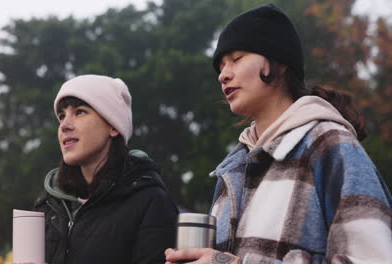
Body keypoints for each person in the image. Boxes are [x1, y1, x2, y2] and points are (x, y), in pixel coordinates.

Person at [165, 3, 391, 264]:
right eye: (221, 66)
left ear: (280, 63)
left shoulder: (328, 144)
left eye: (236, 59)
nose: (223, 75)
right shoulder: (230, 170)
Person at [33, 74, 178, 264]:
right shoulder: (48, 205)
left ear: (113, 126)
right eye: (61, 116)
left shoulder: (151, 203)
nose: (64, 126)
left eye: (80, 112)